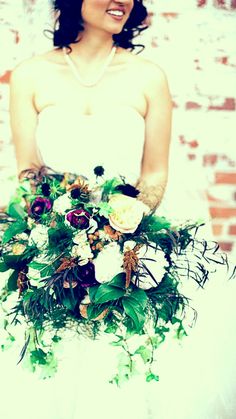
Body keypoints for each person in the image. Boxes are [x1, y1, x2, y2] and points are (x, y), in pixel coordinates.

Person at [1, 1, 236, 418]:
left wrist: (123, 231)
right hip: (56, 248)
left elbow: (155, 172)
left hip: (131, 247)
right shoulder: (31, 75)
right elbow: (29, 174)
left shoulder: (148, 77)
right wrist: (58, 238)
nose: (121, 0)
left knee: (131, 365)